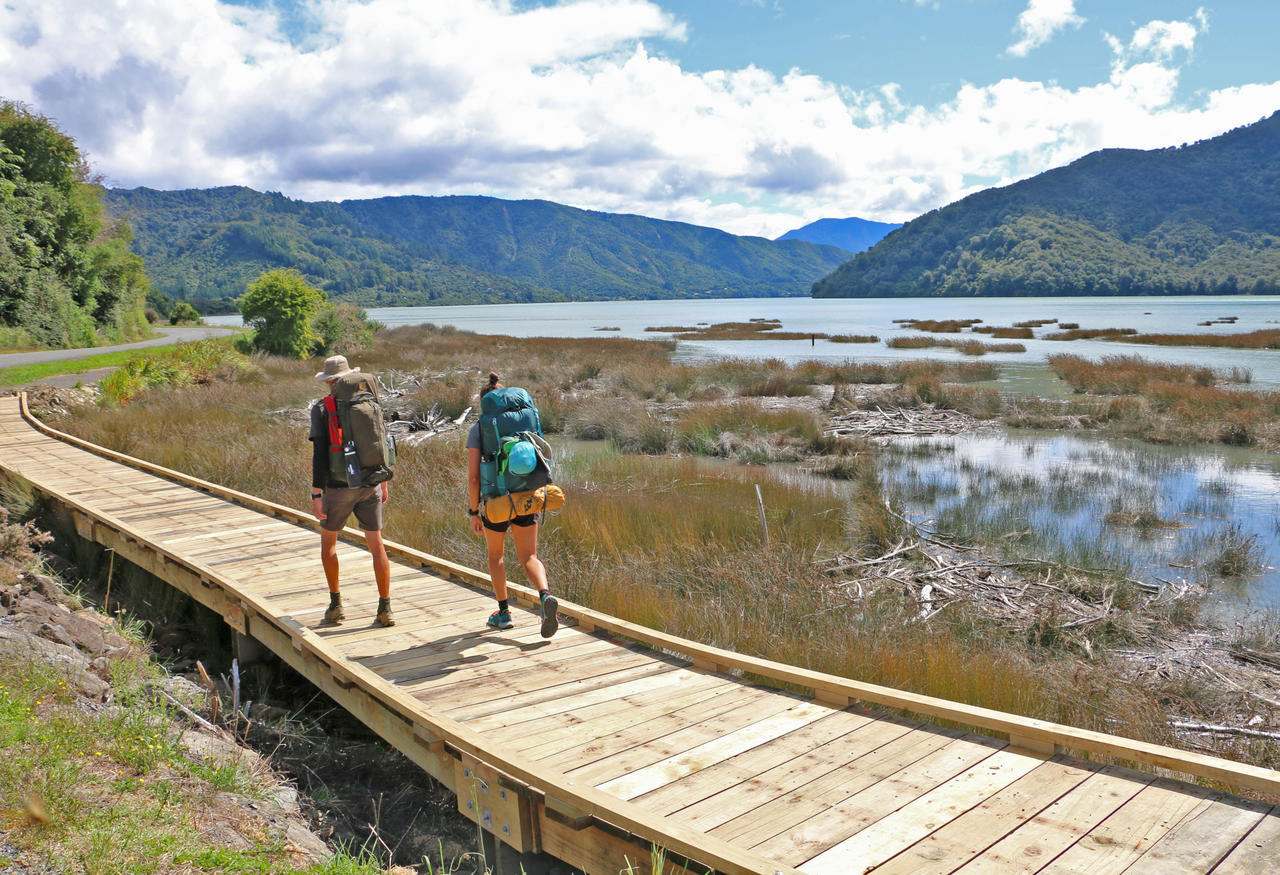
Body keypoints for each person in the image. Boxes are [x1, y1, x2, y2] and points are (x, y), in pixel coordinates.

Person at [467, 373, 557, 637]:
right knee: (529, 557)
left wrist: (474, 511)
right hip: (527, 497)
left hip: (496, 502)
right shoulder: (525, 423)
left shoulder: (478, 429)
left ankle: (504, 613)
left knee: (496, 556)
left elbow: (473, 478)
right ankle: (545, 596)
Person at [309, 355, 394, 627]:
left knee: (329, 545)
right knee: (377, 546)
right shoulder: (369, 401)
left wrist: (316, 494)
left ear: (329, 381)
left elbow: (320, 455)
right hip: (371, 482)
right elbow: (380, 442)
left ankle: (336, 606)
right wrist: (383, 481)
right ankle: (385, 608)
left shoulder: (322, 408)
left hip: (339, 486)